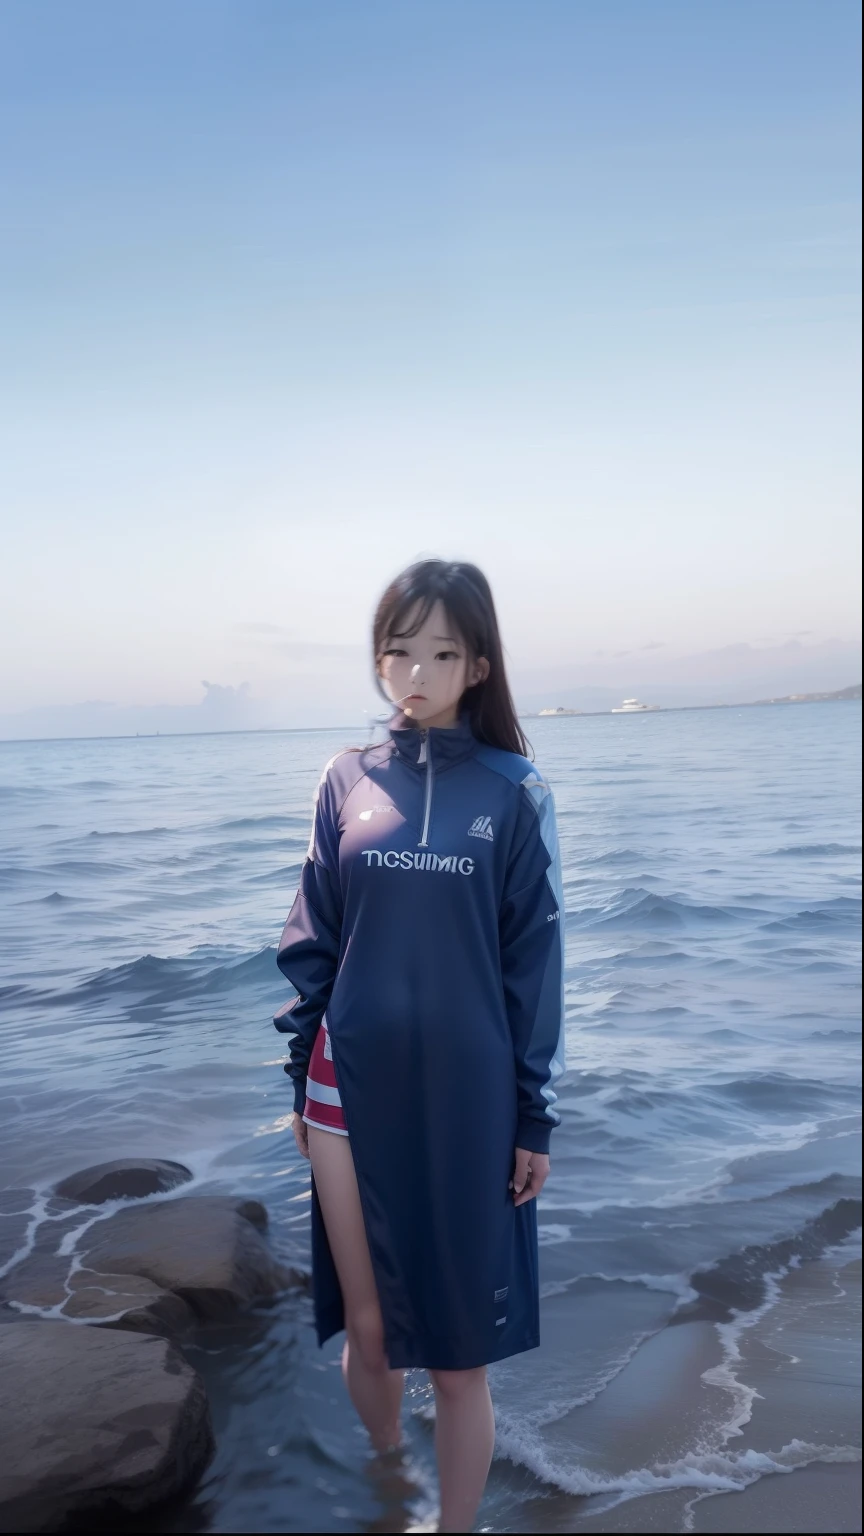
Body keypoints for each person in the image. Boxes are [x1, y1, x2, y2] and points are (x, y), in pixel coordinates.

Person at [274, 558, 565, 1533]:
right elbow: (312, 936)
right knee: (368, 1326)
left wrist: (533, 1112)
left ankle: (458, 1527)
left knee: (457, 1356)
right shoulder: (345, 779)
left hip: (469, 1101)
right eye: (399, 649)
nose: (415, 671)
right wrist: (293, 1074)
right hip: (342, 1090)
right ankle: (393, 1487)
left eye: (441, 652)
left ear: (478, 665)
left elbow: (534, 960)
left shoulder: (515, 791)